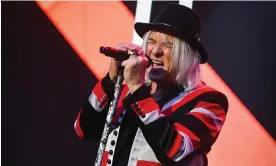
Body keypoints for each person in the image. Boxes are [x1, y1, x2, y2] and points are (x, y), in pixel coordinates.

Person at [74, 3, 228, 166]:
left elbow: (176, 150)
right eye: (152, 41)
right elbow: (83, 129)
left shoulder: (209, 101)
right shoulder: (128, 91)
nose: (155, 51)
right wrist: (111, 79)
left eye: (168, 45)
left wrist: (137, 89)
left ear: (186, 55)